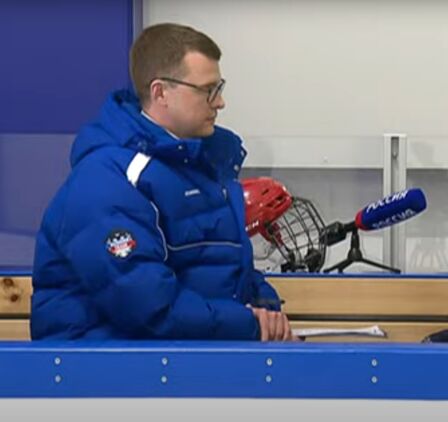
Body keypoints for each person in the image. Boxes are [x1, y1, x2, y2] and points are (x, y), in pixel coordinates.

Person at [31, 23, 296, 341]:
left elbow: (223, 266)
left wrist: (268, 312)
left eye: (219, 88)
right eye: (208, 90)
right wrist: (249, 325)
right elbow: (146, 306)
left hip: (183, 355)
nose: (220, 102)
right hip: (104, 363)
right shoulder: (106, 180)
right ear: (160, 93)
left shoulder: (202, 168)